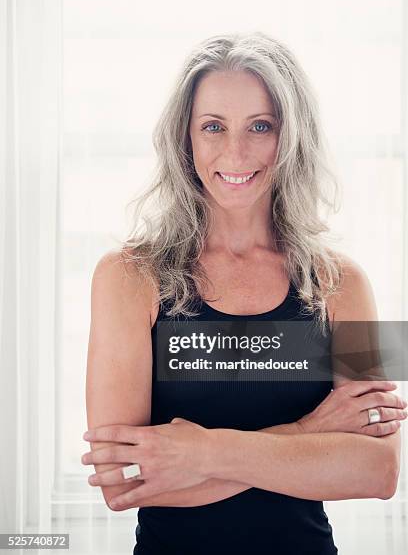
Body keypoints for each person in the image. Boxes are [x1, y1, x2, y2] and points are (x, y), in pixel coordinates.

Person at [83, 32, 407, 555]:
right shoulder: (125, 276)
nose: (235, 151)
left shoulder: (346, 282)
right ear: (184, 138)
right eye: (213, 126)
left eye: (261, 126)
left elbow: (379, 470)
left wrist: (200, 451)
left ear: (291, 136)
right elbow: (123, 481)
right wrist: (309, 432)